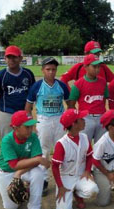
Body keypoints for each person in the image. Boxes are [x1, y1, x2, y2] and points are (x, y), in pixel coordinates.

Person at [25, 57, 71, 196]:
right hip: (43, 119)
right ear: (42, 70)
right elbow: (28, 107)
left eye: (53, 69)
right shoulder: (37, 86)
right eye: (48, 69)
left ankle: (63, 178)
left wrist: (68, 120)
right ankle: (43, 180)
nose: (51, 72)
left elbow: (69, 104)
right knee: (43, 150)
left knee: (61, 149)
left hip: (59, 120)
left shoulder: (61, 85)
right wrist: (32, 124)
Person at [0, 111, 50, 209]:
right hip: (5, 171)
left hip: (23, 170)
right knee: (11, 207)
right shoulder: (7, 140)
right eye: (27, 127)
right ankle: (28, 190)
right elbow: (13, 165)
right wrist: (38, 159)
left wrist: (19, 173)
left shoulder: (33, 137)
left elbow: (35, 162)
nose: (30, 129)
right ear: (16, 128)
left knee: (38, 173)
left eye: (31, 126)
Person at [51, 109, 99, 209]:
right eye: (81, 119)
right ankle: (71, 192)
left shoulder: (84, 137)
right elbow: (54, 167)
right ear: (74, 124)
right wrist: (60, 186)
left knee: (93, 190)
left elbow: (90, 156)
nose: (84, 120)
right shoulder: (61, 144)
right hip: (66, 177)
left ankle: (77, 194)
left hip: (81, 175)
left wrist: (87, 171)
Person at [0, 45, 36, 140]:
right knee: (8, 141)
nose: (11, 60)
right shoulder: (1, 75)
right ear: (5, 59)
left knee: (28, 141)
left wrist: (29, 108)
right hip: (8, 114)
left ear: (20, 58)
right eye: (8, 57)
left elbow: (33, 93)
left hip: (25, 113)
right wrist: (2, 107)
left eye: (14, 57)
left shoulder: (28, 74)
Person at [69, 54, 108, 143]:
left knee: (101, 145)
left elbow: (104, 100)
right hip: (86, 118)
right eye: (94, 66)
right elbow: (71, 104)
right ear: (85, 67)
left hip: (101, 117)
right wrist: (77, 119)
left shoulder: (103, 82)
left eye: (99, 66)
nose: (97, 69)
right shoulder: (78, 84)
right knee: (84, 145)